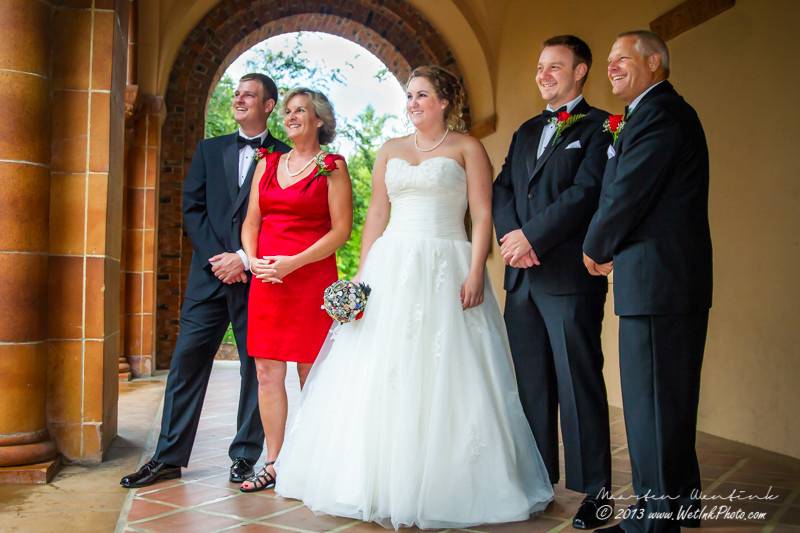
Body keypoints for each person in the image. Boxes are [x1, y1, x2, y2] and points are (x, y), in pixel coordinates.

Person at [274, 66, 554, 529]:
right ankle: (372, 479)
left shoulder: (467, 148)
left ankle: (450, 481)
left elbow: (483, 215)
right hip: (392, 267)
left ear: (444, 101)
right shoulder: (390, 150)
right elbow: (378, 214)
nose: (412, 103)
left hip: (448, 265)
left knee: (448, 371)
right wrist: (363, 277)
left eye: (422, 95)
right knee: (383, 368)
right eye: (409, 96)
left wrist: (475, 270)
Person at [120, 73, 290, 488]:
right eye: (237, 93)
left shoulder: (285, 157)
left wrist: (244, 260)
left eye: (249, 95)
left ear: (269, 105)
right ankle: (168, 457)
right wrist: (221, 259)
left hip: (257, 278)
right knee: (186, 364)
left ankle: (245, 457)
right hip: (208, 277)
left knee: (257, 370)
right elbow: (191, 209)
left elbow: (283, 220)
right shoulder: (209, 150)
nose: (239, 99)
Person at [584, 31, 712, 533]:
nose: (612, 66)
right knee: (668, 400)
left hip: (658, 280)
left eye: (622, 58)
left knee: (652, 404)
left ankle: (654, 520)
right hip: (666, 279)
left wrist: (595, 245)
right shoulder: (655, 113)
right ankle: (680, 505)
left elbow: (627, 193)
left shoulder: (658, 114)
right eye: (609, 60)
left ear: (655, 62)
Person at [492, 35, 613, 530]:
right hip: (521, 280)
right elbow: (502, 189)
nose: (543, 74)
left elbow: (588, 193)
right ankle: (539, 481)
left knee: (577, 381)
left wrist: (532, 236)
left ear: (580, 71)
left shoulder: (603, 127)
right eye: (540, 66)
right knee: (532, 386)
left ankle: (596, 492)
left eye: (555, 66)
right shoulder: (524, 131)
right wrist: (509, 236)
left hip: (567, 277)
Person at [238, 88, 353, 492]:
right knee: (267, 373)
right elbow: (252, 221)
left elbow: (341, 230)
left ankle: (313, 461)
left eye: (299, 110)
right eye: (287, 111)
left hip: (309, 280)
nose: (290, 116)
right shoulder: (267, 163)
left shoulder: (331, 166)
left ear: (319, 119)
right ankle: (274, 461)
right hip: (268, 279)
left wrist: (293, 263)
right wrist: (254, 261)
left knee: (311, 372)